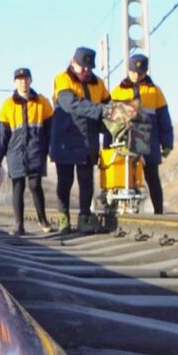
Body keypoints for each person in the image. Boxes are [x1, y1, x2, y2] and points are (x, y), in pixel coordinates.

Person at [51, 47, 111, 234]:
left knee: (86, 181)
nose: (86, 71)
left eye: (89, 68)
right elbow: (70, 104)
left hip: (88, 139)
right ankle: (63, 217)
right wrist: (101, 110)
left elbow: (108, 106)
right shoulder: (63, 79)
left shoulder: (98, 84)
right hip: (66, 138)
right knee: (65, 180)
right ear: (73, 63)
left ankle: (85, 216)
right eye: (82, 67)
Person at [110, 54, 173, 214]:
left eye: (141, 72)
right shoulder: (117, 91)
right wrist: (107, 146)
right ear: (129, 70)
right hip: (125, 143)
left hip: (149, 142)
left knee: (153, 179)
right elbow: (110, 123)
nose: (137, 75)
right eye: (134, 72)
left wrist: (167, 143)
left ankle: (159, 212)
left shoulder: (155, 92)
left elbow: (164, 119)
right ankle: (122, 211)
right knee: (125, 179)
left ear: (146, 71)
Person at [0, 68, 54, 235]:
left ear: (31, 81)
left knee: (35, 185)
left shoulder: (42, 102)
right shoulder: (7, 106)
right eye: (20, 79)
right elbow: (3, 135)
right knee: (18, 185)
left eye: (26, 79)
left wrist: (51, 150)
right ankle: (19, 224)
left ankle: (43, 219)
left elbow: (50, 129)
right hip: (15, 152)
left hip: (36, 149)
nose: (23, 82)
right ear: (15, 82)